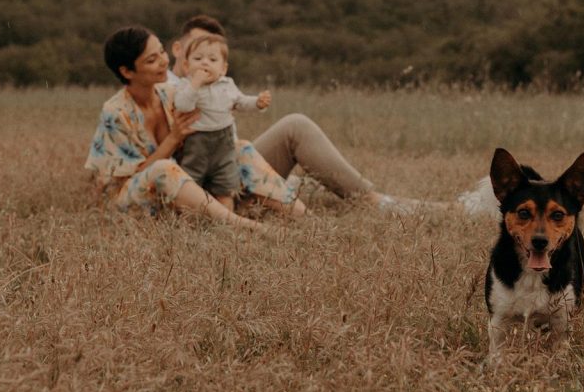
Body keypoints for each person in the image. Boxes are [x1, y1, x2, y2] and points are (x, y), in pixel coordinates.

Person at [169, 15, 442, 212]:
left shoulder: (221, 86)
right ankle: (374, 201)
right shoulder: (170, 86)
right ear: (179, 51)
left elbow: (241, 106)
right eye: (196, 52)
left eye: (211, 54)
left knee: (312, 178)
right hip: (199, 177)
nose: (204, 60)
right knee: (295, 127)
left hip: (232, 163)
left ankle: (394, 203)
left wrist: (257, 103)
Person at [84, 25, 305, 231]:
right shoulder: (115, 112)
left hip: (183, 187)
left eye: (162, 52)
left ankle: (299, 212)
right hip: (129, 200)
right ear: (127, 71)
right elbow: (134, 177)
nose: (163, 61)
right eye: (152, 59)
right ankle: (246, 228)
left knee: (240, 148)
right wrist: (173, 139)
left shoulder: (170, 94)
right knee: (163, 168)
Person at [173, 33, 271, 212]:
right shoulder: (185, 85)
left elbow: (240, 102)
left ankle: (227, 221)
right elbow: (183, 105)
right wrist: (195, 84)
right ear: (186, 66)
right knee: (191, 181)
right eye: (198, 58)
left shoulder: (227, 84)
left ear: (223, 69)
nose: (205, 63)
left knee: (225, 185)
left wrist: (257, 102)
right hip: (197, 142)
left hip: (224, 143)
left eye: (212, 59)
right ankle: (187, 219)